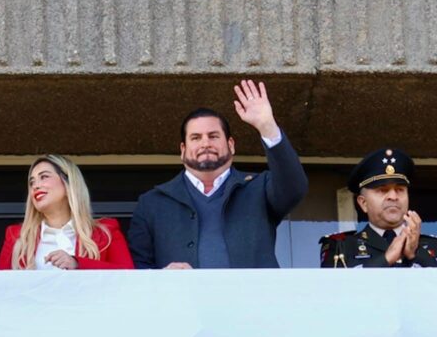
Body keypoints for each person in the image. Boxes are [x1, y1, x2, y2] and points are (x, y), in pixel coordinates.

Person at [127, 80, 308, 269]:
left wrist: (267, 126)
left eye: (213, 136)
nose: (205, 143)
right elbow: (137, 268)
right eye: (196, 138)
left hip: (254, 298)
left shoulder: (258, 188)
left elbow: (294, 188)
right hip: (182, 298)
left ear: (231, 145)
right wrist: (163, 275)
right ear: (183, 149)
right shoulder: (152, 203)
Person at [320, 148, 437, 268]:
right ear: (363, 203)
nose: (393, 196)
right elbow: (336, 291)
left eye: (400, 190)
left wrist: (417, 253)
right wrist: (386, 259)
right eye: (382, 190)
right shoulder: (341, 247)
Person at [0, 155, 133, 270]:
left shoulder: (105, 232)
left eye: (44, 177)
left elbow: (128, 278)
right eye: (32, 182)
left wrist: (77, 264)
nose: (36, 186)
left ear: (68, 182)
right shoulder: (16, 237)